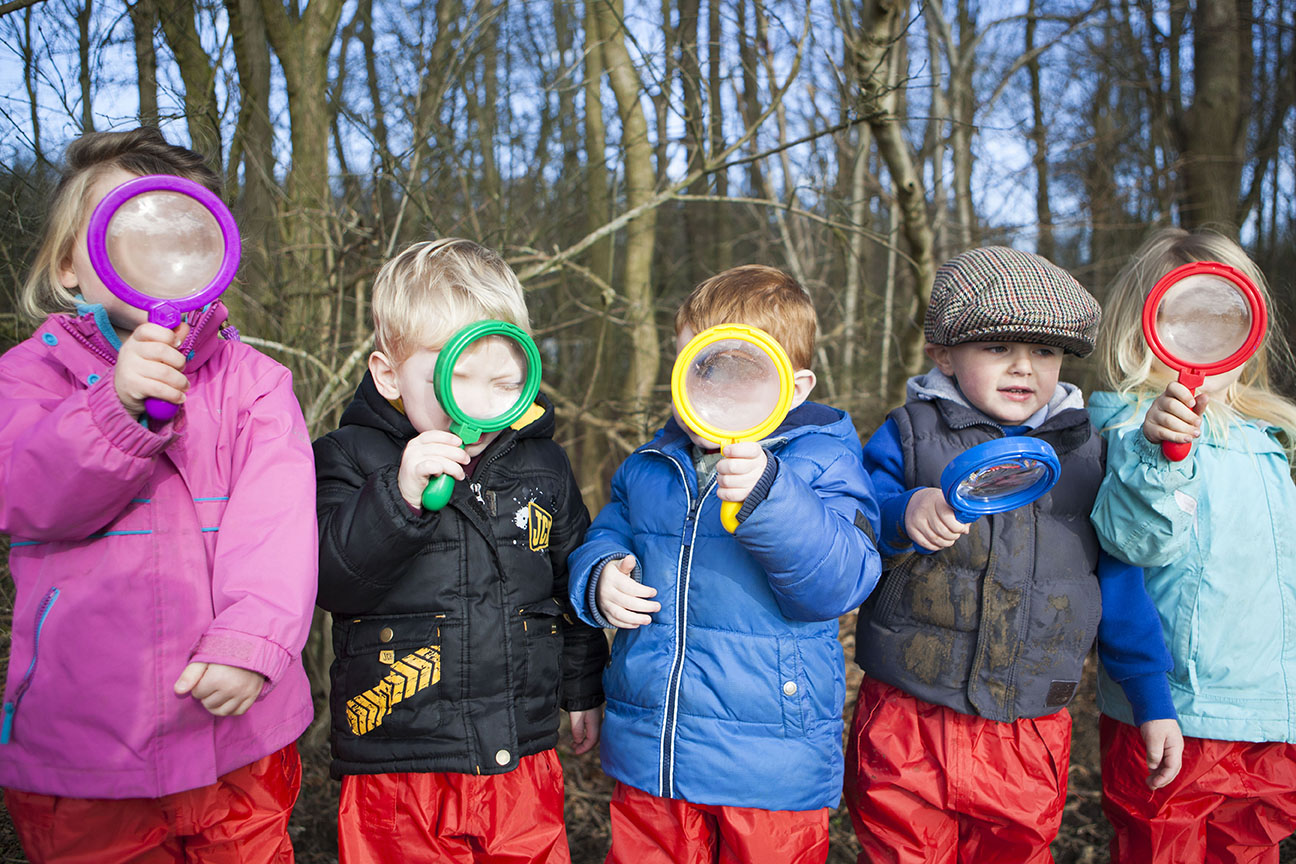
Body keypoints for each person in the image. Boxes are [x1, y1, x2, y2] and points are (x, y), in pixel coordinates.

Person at [0, 127, 317, 862]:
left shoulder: (254, 385)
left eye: (179, 234)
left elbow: (278, 529)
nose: (153, 254)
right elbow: (26, 494)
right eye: (125, 232)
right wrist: (111, 407)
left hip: (235, 736)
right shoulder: (27, 380)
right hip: (86, 745)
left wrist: (251, 644)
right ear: (68, 264)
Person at [847, 246, 1182, 864]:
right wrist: (904, 512)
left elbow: (1121, 586)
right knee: (901, 851)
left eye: (1045, 352)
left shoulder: (1090, 453)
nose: (1023, 367)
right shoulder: (911, 433)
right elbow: (855, 524)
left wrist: (1152, 700)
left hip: (1027, 724)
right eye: (998, 347)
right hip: (910, 711)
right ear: (944, 355)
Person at [567, 265, 883, 864]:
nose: (707, 388)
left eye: (737, 369)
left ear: (794, 388)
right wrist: (600, 574)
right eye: (696, 367)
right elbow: (607, 532)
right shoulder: (651, 464)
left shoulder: (822, 463)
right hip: (654, 754)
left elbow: (840, 583)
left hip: (769, 767)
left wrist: (773, 495)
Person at [313, 238, 608, 863]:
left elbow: (569, 583)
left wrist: (582, 688)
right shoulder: (351, 459)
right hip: (398, 762)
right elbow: (330, 581)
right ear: (389, 375)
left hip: (520, 755)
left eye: (502, 383)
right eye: (451, 377)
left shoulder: (542, 465)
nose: (477, 404)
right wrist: (397, 500)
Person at [1089, 227, 1296, 862]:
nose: (1207, 340)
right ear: (1144, 331)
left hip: (1269, 714)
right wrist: (1158, 454)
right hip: (1178, 713)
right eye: (1187, 320)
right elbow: (1134, 543)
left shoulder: (1271, 437)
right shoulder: (1129, 429)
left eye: (1223, 320)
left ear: (1250, 330)